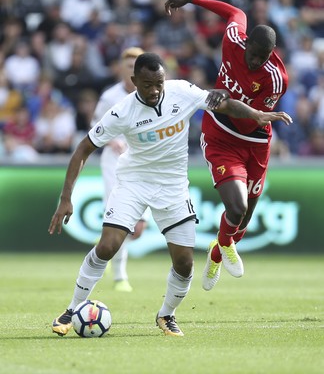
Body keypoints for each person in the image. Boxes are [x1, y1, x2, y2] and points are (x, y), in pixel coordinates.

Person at [48, 52, 292, 337]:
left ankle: (166, 315)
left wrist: (256, 114)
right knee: (107, 246)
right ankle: (71, 309)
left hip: (173, 187)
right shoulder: (121, 111)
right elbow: (83, 149)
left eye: (159, 83)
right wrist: (66, 198)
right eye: (147, 84)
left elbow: (224, 105)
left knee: (185, 263)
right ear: (134, 81)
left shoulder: (182, 92)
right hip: (134, 182)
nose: (154, 91)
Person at [165, 0, 289, 291]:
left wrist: (225, 96)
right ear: (247, 44)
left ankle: (217, 252)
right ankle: (224, 244)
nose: (258, 61)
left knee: (243, 220)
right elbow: (234, 10)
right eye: (255, 54)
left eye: (265, 56)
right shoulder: (234, 38)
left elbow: (252, 119)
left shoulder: (276, 78)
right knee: (236, 207)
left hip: (255, 141)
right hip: (221, 134)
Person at [91, 46, 147, 292]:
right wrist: (110, 139)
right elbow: (95, 125)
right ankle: (119, 277)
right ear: (121, 68)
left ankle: (104, 242)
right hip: (113, 162)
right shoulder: (109, 96)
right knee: (118, 220)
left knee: (136, 230)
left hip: (141, 162)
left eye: (136, 65)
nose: (131, 69)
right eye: (128, 65)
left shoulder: (151, 94)